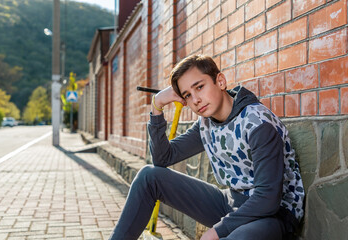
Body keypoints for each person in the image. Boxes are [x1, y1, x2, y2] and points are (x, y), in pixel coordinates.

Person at [109, 55, 304, 240]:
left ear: (220, 81)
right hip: (232, 205)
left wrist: (217, 231)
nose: (195, 100)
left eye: (199, 87)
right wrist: (157, 105)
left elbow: (267, 198)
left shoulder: (257, 123)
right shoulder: (206, 124)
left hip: (272, 216)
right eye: (187, 95)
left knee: (238, 237)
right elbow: (163, 158)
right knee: (149, 177)